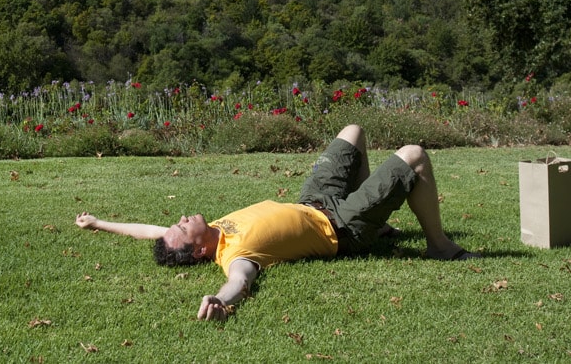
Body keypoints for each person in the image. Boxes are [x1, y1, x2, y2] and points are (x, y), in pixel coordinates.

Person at [74, 124, 481, 321]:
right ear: (198, 250)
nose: (179, 219)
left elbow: (148, 231)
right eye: (181, 227)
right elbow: (240, 281)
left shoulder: (213, 227)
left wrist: (98, 222)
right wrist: (221, 302)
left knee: (353, 133)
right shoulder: (235, 255)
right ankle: (439, 245)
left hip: (314, 200)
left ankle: (380, 223)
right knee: (413, 155)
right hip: (340, 227)